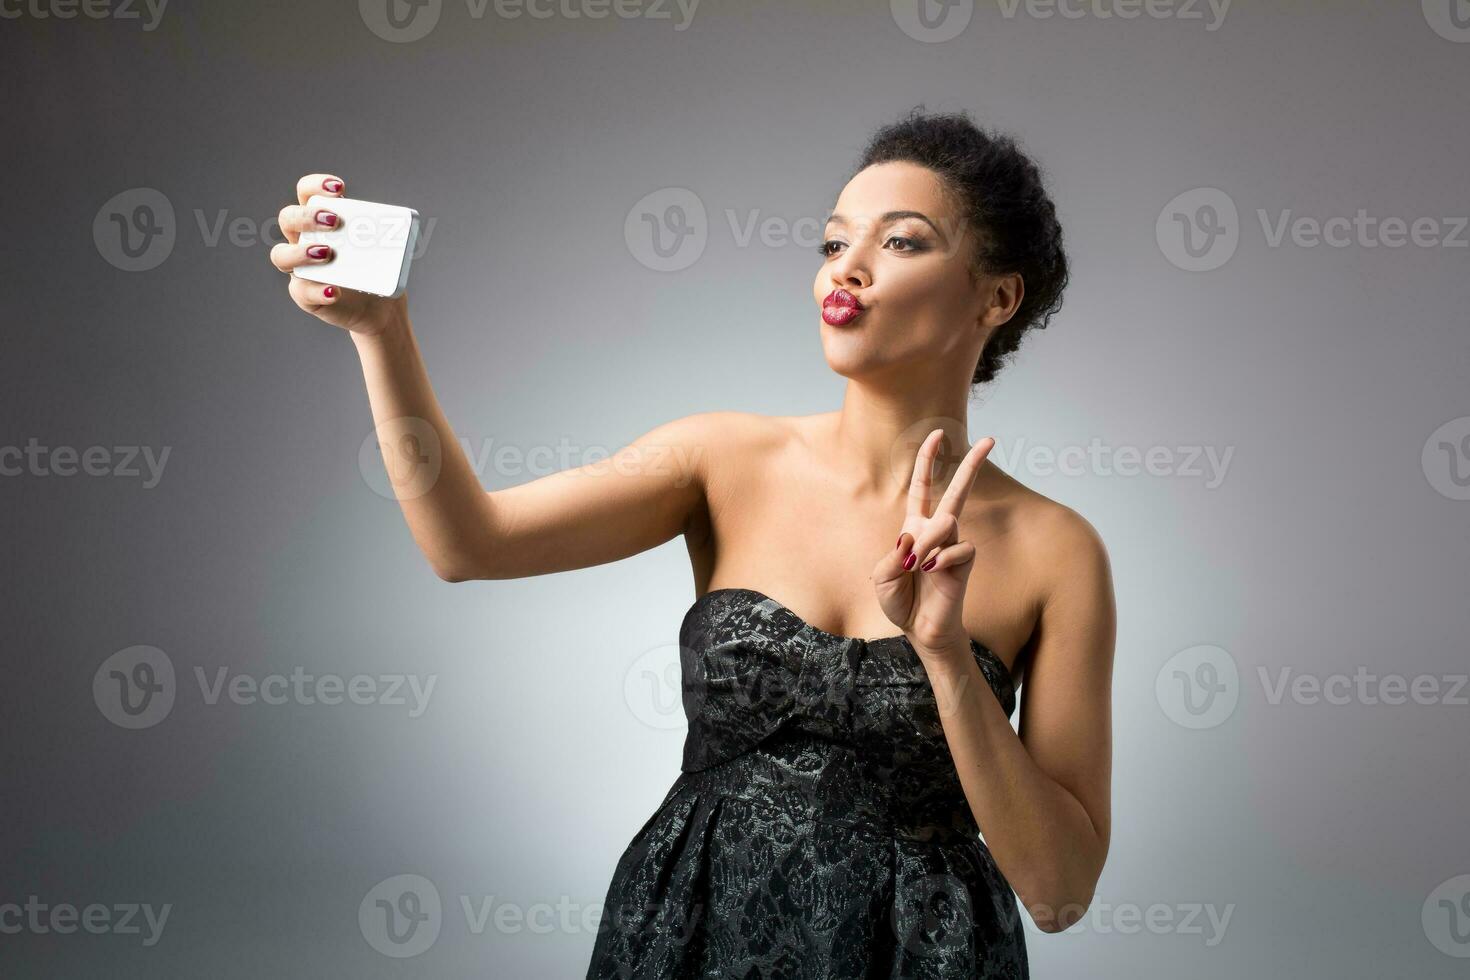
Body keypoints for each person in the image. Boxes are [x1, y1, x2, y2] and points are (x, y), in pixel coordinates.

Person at [269, 105, 1115, 978]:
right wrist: (382, 330)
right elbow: (468, 543)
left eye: (900, 243)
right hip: (692, 933)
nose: (848, 269)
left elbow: (1058, 890)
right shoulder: (721, 458)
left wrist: (942, 656)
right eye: (832, 244)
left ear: (997, 296)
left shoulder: (1058, 551)